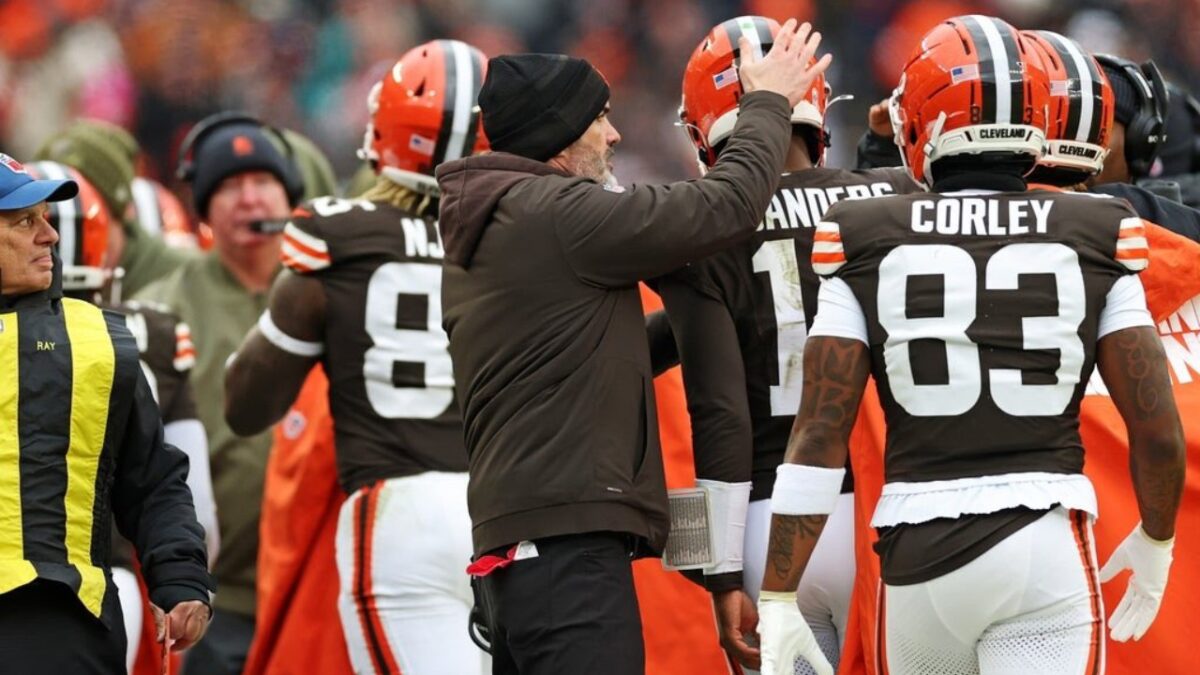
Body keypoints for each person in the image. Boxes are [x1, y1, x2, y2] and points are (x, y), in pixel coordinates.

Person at [756, 15, 1185, 675]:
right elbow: (1155, 427)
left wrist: (779, 590)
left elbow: (817, 437)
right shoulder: (1099, 227)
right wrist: (1157, 537)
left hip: (915, 555)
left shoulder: (861, 232)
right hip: (1041, 546)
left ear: (926, 124)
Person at [434, 19, 830, 673]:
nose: (615, 134)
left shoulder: (509, 218)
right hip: (567, 556)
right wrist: (768, 100)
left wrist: (721, 304)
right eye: (599, 118)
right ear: (557, 134)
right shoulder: (556, 214)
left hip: (530, 551)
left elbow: (588, 357)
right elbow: (724, 205)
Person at [659, 15, 918, 673]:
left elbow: (718, 417)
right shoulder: (895, 197)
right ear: (816, 105)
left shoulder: (699, 228)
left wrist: (718, 574)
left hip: (768, 526)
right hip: (886, 507)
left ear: (702, 130)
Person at [225, 39, 491, 675]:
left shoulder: (336, 238)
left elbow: (245, 405)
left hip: (398, 512)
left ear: (384, 131)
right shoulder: (524, 239)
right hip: (510, 514)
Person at [0, 153, 213, 672]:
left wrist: (181, 576)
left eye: (46, 218)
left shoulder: (95, 339)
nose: (50, 236)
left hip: (59, 614)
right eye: (25, 221)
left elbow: (154, 479)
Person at [135, 113, 304, 675]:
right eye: (229, 186)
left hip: (317, 583)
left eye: (261, 182)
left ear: (291, 194)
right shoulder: (163, 304)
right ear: (203, 205)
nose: (248, 199)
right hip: (218, 593)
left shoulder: (329, 289)